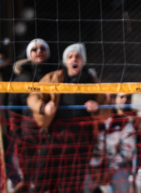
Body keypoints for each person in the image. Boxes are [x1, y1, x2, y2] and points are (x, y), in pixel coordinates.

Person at [27, 43, 111, 193]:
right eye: (70, 56)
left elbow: (107, 111)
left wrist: (97, 109)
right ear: (65, 61)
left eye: (77, 56)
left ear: (83, 61)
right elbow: (33, 97)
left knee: (72, 186)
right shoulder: (53, 77)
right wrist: (43, 107)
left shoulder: (93, 81)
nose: (74, 59)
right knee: (42, 182)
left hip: (81, 143)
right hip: (55, 138)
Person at [6, 38, 54, 192]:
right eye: (34, 49)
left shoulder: (56, 75)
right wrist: (15, 132)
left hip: (52, 133)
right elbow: (13, 108)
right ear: (29, 54)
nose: (38, 51)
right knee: (29, 175)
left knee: (49, 175)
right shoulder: (21, 79)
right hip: (27, 135)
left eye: (42, 48)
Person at [86, 92, 141, 193]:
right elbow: (89, 147)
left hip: (117, 167)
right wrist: (96, 166)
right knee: (85, 183)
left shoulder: (124, 122)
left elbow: (127, 150)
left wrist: (111, 168)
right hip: (94, 167)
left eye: (128, 97)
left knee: (121, 182)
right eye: (121, 97)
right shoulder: (92, 120)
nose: (124, 100)